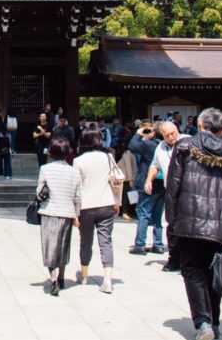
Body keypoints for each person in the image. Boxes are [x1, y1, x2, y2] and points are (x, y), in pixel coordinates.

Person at [165, 108, 222, 340]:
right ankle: (215, 321)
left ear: (200, 126)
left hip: (189, 219)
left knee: (192, 270)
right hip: (221, 220)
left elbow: (173, 187)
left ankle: (202, 322)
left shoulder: (184, 147)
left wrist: (172, 221)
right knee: (213, 269)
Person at [73, 130, 120, 293]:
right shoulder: (108, 157)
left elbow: (76, 188)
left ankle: (84, 275)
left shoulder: (78, 161)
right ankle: (107, 279)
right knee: (105, 240)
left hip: (86, 206)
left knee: (85, 241)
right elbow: (116, 181)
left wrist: (75, 212)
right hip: (106, 203)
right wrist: (117, 202)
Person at [37, 138, 81, 296]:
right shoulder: (74, 171)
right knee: (63, 246)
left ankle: (53, 278)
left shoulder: (45, 169)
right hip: (66, 213)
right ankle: (61, 277)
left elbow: (39, 192)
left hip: (49, 211)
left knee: (50, 246)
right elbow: (77, 196)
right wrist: (77, 215)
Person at [145, 122, 190, 272]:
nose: (171, 137)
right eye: (167, 135)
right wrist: (148, 180)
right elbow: (154, 165)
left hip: (189, 192)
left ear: (177, 130)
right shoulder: (160, 147)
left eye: (173, 133)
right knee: (172, 227)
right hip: (170, 192)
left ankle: (188, 259)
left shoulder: (189, 141)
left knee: (188, 227)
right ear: (162, 136)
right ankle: (174, 258)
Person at [129, 122, 160, 255]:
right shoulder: (163, 145)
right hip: (161, 182)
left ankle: (140, 244)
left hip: (147, 180)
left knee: (143, 213)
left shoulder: (148, 144)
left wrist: (138, 133)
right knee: (158, 216)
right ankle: (158, 244)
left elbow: (132, 146)